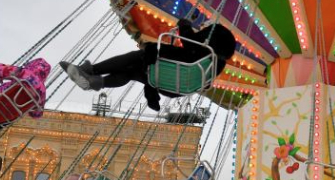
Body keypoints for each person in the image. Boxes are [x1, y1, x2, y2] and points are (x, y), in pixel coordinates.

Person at [61, 19, 237, 111]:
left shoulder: (204, 53)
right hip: (173, 86)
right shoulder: (214, 66)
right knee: (131, 72)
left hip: (170, 70)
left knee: (136, 57)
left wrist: (185, 26)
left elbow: (191, 43)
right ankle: (96, 82)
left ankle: (91, 70)